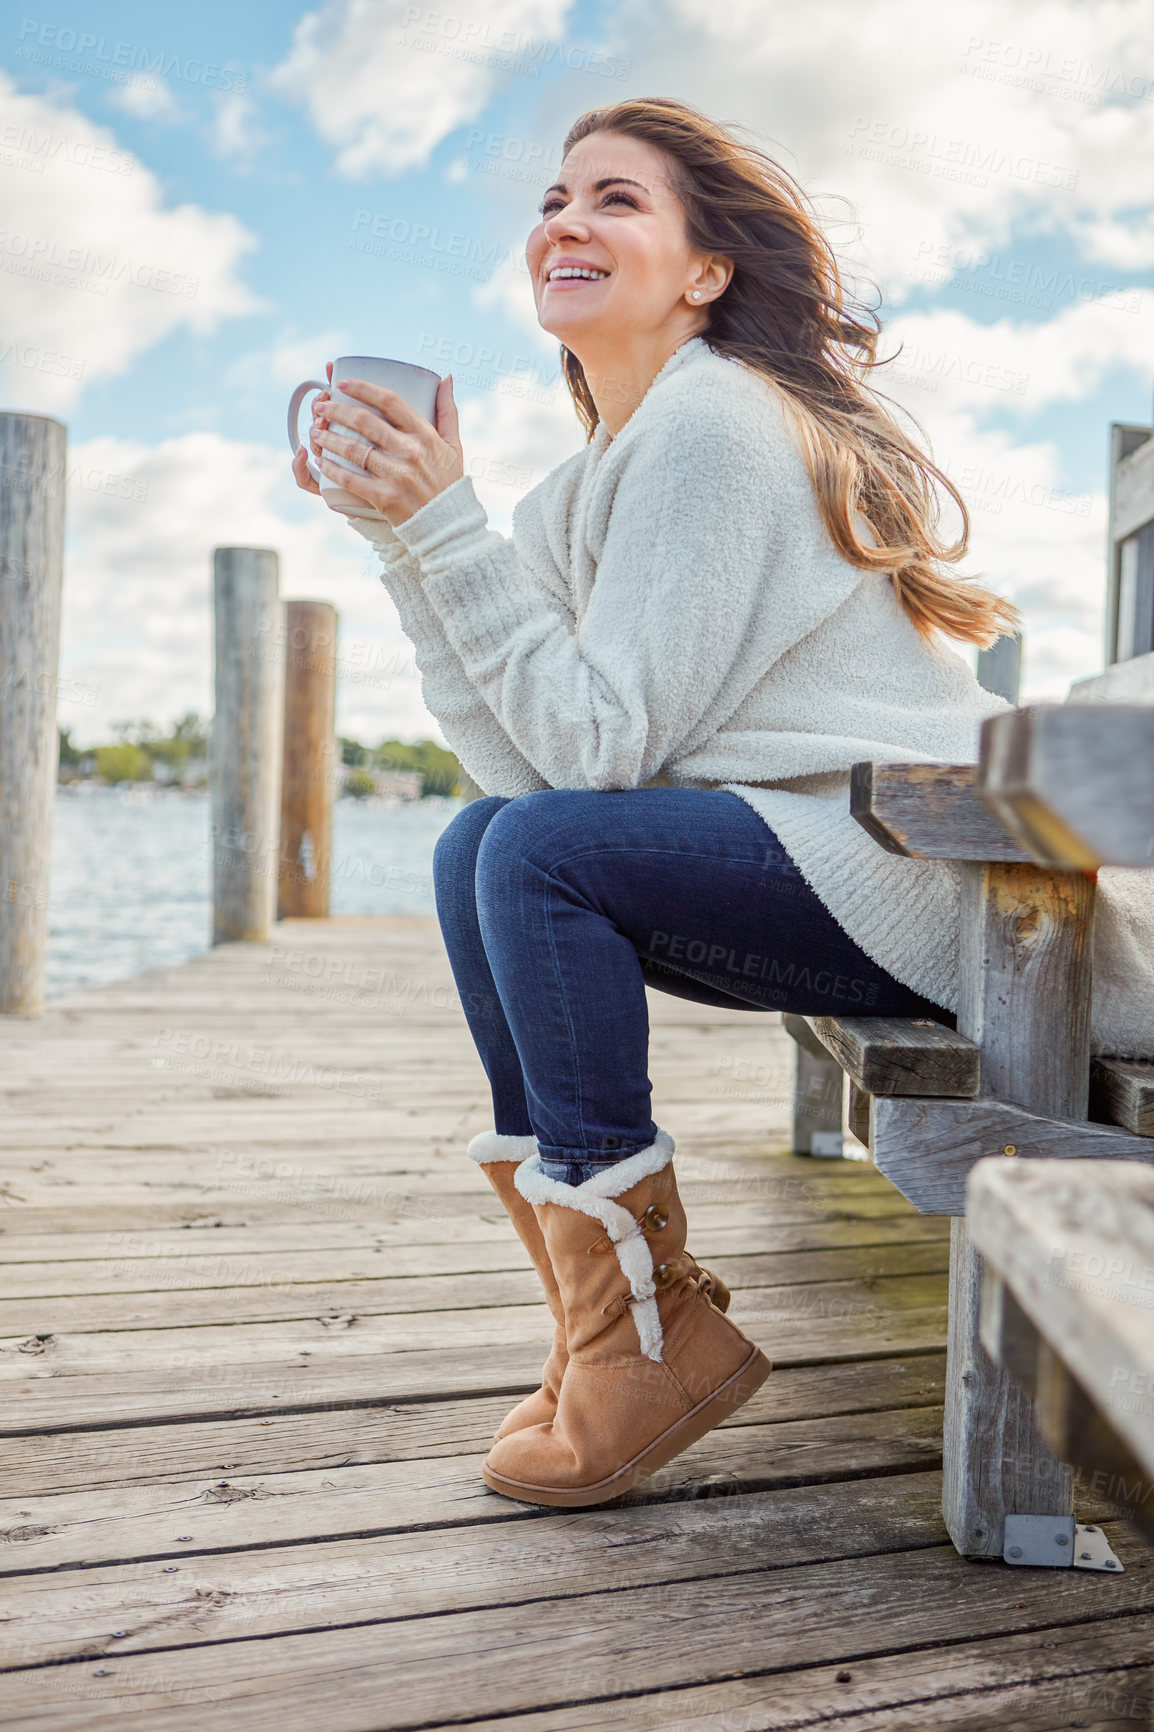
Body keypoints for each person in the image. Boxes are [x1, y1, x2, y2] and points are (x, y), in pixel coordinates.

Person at [290, 95, 1149, 1510]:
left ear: (705, 272)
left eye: (615, 199)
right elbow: (519, 770)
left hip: (943, 877)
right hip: (834, 852)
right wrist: (407, 541)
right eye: (556, 198)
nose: (564, 219)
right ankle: (617, 1326)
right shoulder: (583, 493)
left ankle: (642, 1335)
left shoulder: (718, 424)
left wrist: (443, 526)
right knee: (476, 848)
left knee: (540, 856)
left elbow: (594, 762)